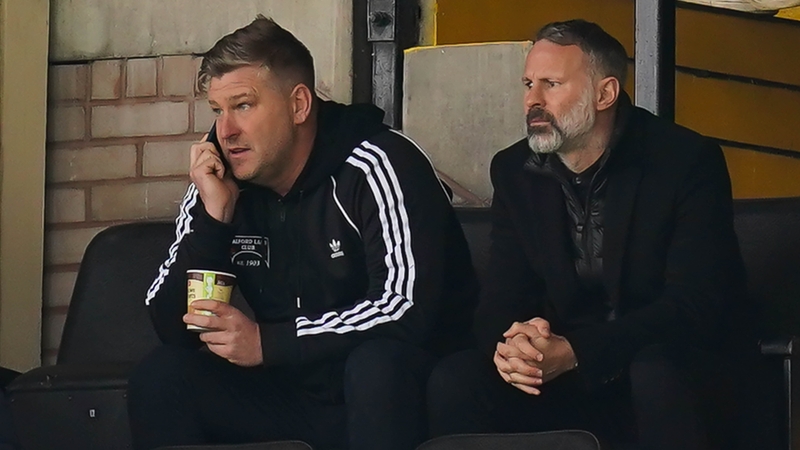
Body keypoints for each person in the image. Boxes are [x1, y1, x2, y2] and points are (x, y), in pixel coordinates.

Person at [127, 15, 477, 450]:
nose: (226, 130)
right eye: (218, 111)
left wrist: (269, 343)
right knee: (163, 375)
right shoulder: (223, 176)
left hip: (393, 399)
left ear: (299, 105)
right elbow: (170, 326)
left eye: (243, 106)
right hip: (291, 394)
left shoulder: (378, 164)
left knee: (376, 366)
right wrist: (214, 219)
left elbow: (404, 309)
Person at [427, 19, 778, 450]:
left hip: (671, 367)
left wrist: (578, 351)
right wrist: (517, 344)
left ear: (605, 94)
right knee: (458, 380)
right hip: (567, 373)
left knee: (656, 371)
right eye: (527, 84)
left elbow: (696, 304)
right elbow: (501, 295)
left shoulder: (685, 161)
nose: (532, 101)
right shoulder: (514, 170)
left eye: (551, 84)